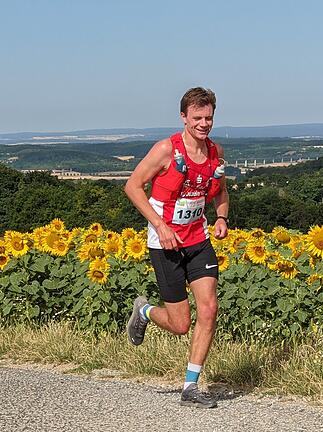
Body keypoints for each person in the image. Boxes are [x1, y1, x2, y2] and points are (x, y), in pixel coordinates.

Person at [123, 87, 229, 409]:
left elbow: (221, 193)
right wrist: (160, 226)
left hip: (198, 240)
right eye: (197, 117)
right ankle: (143, 311)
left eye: (208, 117)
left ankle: (190, 387)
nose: (203, 123)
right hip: (165, 242)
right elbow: (132, 187)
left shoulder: (215, 152)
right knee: (180, 325)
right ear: (184, 117)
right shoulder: (165, 150)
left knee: (209, 308)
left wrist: (221, 217)